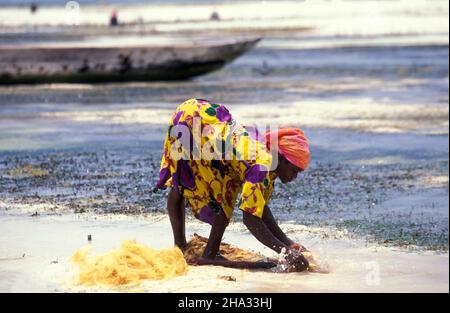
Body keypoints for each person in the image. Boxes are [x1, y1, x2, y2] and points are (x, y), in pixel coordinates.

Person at [156, 99, 311, 270]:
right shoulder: (263, 165)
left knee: (226, 197)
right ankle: (180, 247)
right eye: (294, 170)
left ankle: (210, 253)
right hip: (193, 119)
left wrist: (289, 244)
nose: (294, 177)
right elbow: (250, 219)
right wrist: (285, 252)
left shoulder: (269, 164)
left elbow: (259, 209)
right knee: (181, 180)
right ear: (281, 158)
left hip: (210, 127)